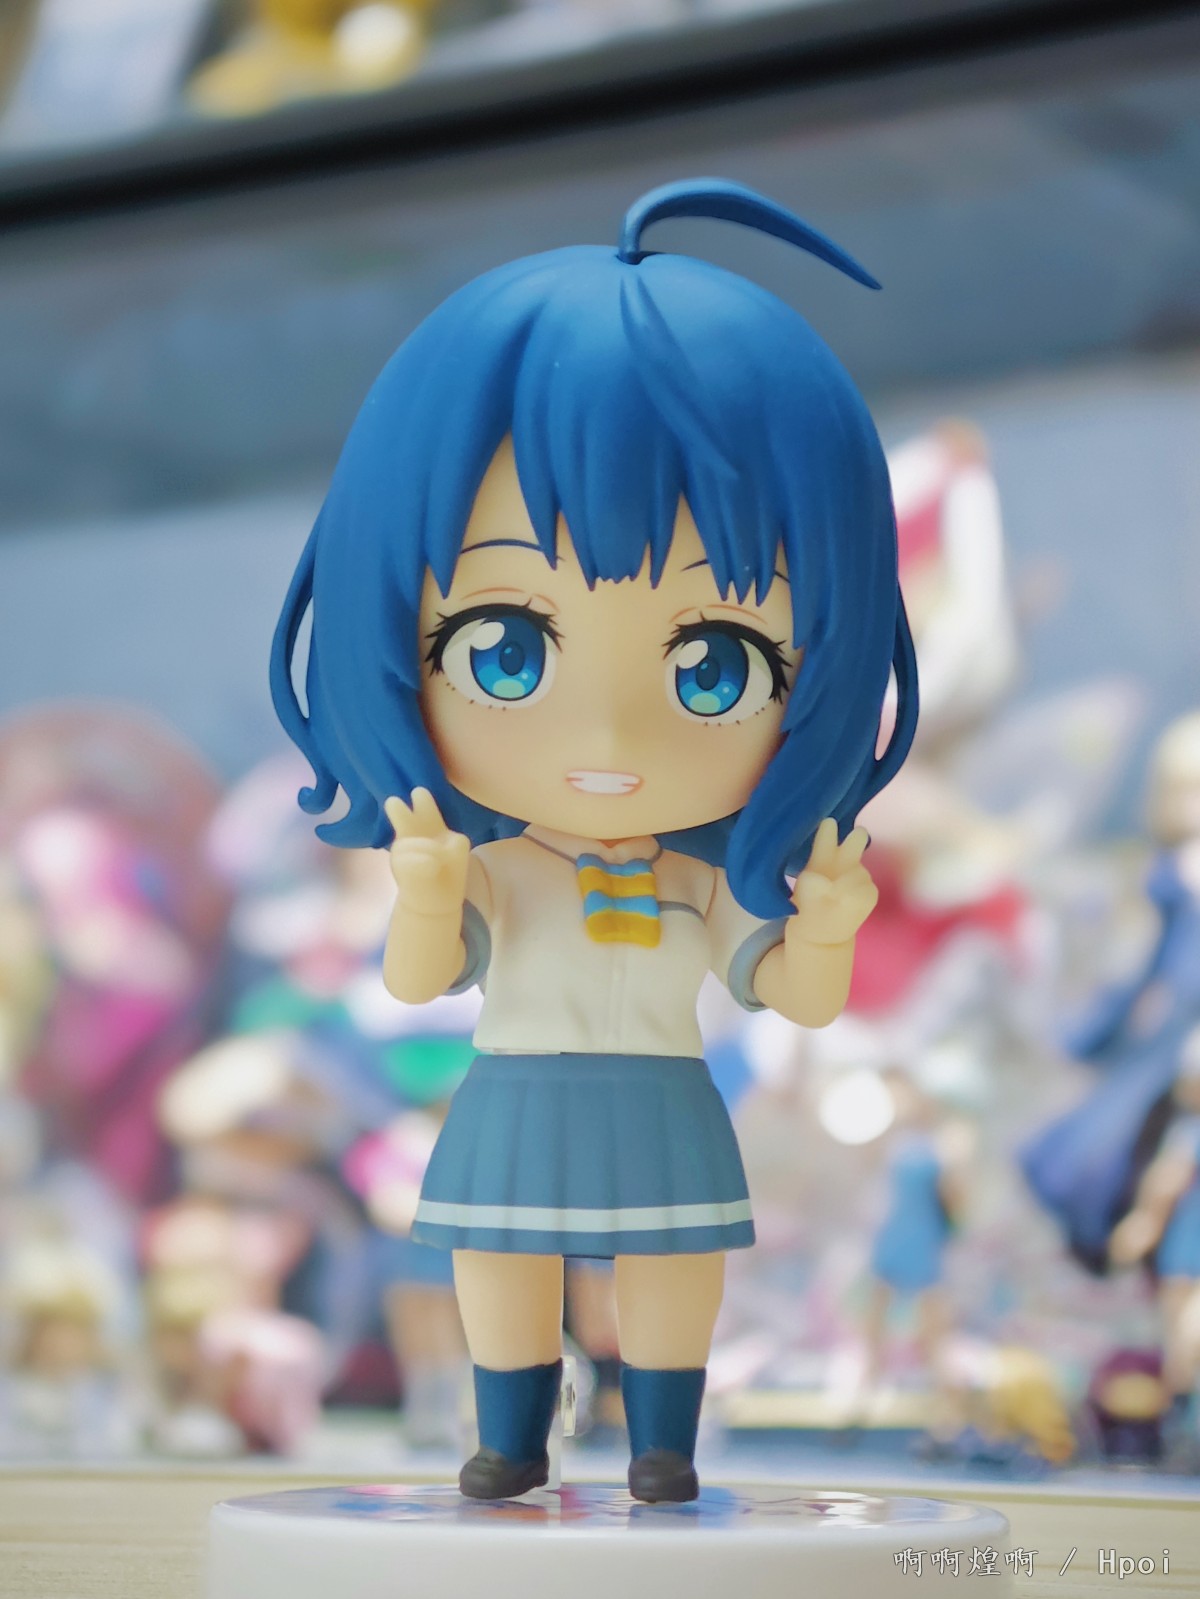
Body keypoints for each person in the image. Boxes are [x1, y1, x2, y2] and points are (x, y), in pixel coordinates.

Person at [271, 178, 917, 1501]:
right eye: (503, 651)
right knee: (498, 1257)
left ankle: (663, 1442)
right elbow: (417, 979)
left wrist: (830, 928)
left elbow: (797, 996)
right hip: (515, 1085)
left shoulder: (704, 872)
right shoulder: (500, 863)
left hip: (664, 1090)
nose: (610, 740)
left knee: (674, 1262)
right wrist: (426, 894)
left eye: (715, 667)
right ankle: (509, 1437)